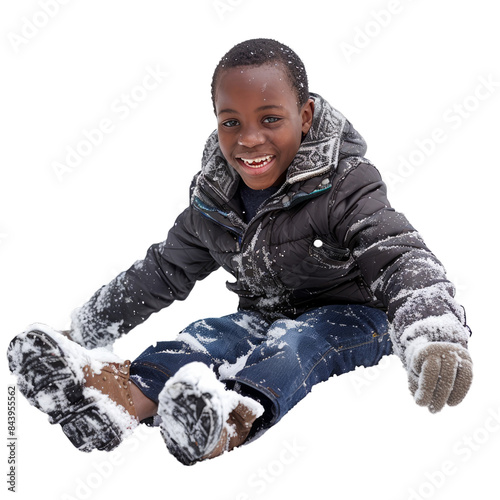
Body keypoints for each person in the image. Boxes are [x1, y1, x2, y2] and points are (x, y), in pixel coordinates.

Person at [7, 38, 473, 466]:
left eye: (271, 118)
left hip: (359, 316)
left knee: (298, 342)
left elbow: (398, 255)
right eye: (232, 122)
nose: (249, 139)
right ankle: (122, 401)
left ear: (305, 116)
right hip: (265, 311)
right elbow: (161, 270)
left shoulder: (346, 183)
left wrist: (433, 332)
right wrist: (84, 330)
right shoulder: (216, 200)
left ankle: (229, 417)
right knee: (206, 337)